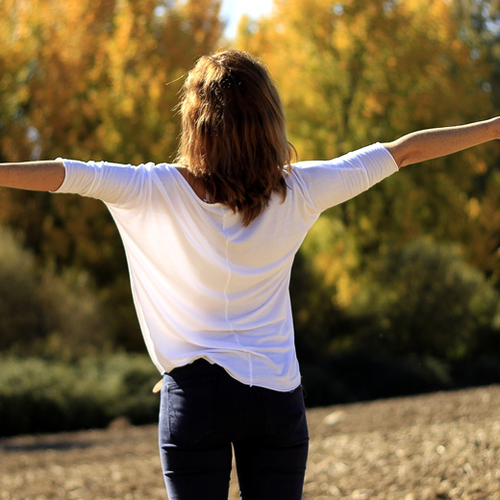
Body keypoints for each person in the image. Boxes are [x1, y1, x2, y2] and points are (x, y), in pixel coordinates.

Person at [0, 48, 499, 500]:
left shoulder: (151, 188)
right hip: (276, 397)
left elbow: (65, 174)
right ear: (270, 120)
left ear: (195, 124)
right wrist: (494, 126)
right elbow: (404, 150)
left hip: (195, 400)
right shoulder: (302, 190)